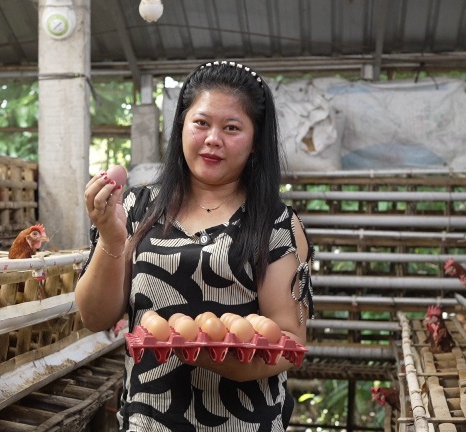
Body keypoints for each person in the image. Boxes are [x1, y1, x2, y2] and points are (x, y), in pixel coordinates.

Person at [76, 60, 314, 431]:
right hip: (149, 421)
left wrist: (204, 349)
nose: (212, 139)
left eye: (232, 128)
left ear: (254, 142)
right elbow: (95, 317)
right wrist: (110, 237)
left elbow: (288, 340)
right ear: (181, 127)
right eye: (201, 123)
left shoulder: (275, 223)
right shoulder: (139, 209)